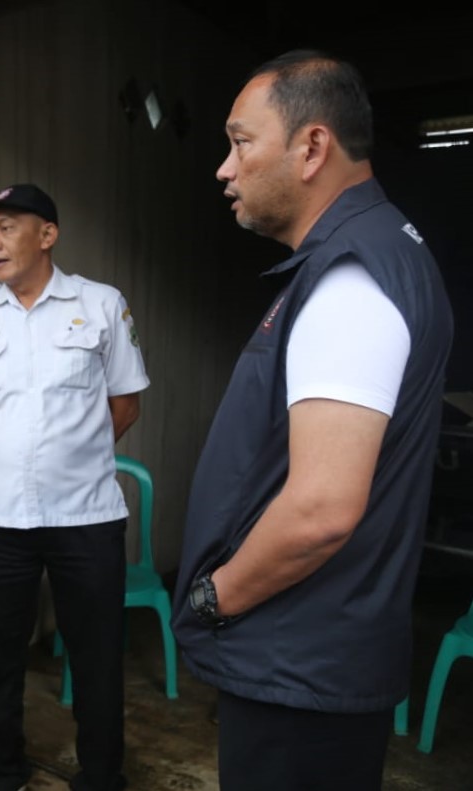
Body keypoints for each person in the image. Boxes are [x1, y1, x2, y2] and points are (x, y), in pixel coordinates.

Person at [171, 51, 454, 791]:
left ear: (311, 147)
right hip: (313, 657)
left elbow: (322, 508)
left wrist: (214, 595)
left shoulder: (351, 279)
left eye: (239, 142)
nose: (223, 169)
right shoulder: (375, 253)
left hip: (296, 662)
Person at [0, 184, 149, 791]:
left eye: (6, 227)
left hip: (86, 517)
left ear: (47, 235)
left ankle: (102, 775)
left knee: (96, 657)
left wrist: (72, 459)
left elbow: (125, 403)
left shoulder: (101, 304)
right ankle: (4, 773)